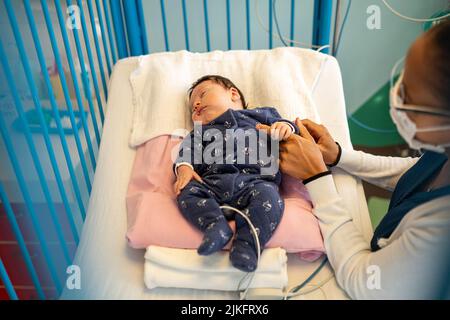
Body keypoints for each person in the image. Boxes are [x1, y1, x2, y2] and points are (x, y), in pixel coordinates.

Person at [257, 20, 450, 299]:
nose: (395, 96)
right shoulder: (440, 150)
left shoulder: (440, 235)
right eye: (401, 79)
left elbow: (365, 281)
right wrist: (338, 156)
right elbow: (418, 172)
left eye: (408, 97)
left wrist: (317, 178)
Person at [174, 75, 298, 272]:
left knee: (271, 197)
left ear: (232, 94)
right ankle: (215, 226)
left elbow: (291, 129)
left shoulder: (259, 115)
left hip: (256, 184)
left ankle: (247, 245)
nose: (196, 104)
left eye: (202, 95)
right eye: (192, 108)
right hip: (212, 186)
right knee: (186, 190)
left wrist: (286, 127)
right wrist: (184, 168)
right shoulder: (200, 133)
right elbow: (185, 153)